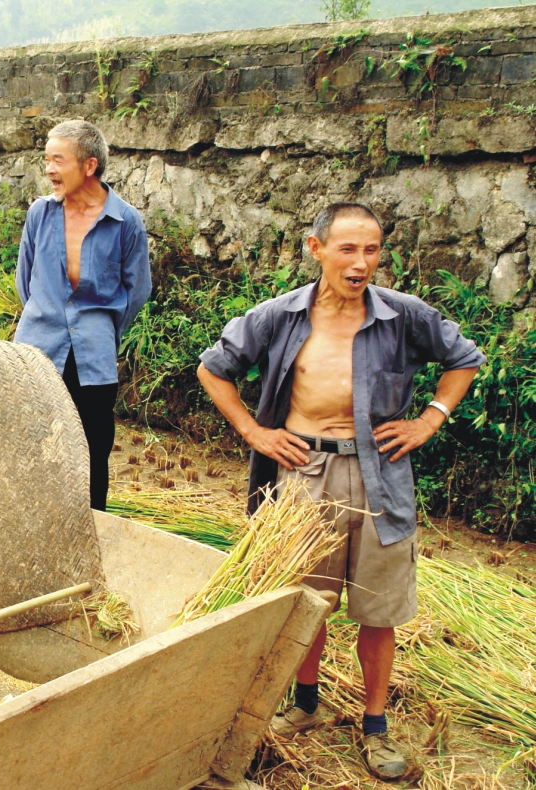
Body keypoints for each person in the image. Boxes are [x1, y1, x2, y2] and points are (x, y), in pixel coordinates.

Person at [196, 203, 483, 780]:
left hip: (381, 475)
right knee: (308, 599)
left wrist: (429, 419)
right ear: (316, 248)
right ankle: (307, 704)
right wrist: (254, 431)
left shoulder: (404, 316)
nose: (360, 263)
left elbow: (464, 360)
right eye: (348, 249)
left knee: (381, 610)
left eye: (371, 250)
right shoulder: (279, 316)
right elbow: (213, 368)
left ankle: (374, 727)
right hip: (303, 472)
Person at [14, 119, 152, 511]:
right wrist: (46, 318)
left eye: (58, 160)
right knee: (31, 446)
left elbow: (136, 291)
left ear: (89, 166)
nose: (49, 169)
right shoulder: (40, 214)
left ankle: (89, 541)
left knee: (92, 453)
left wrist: (100, 331)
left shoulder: (125, 222)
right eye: (46, 159)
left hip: (93, 360)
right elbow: (26, 280)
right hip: (37, 353)